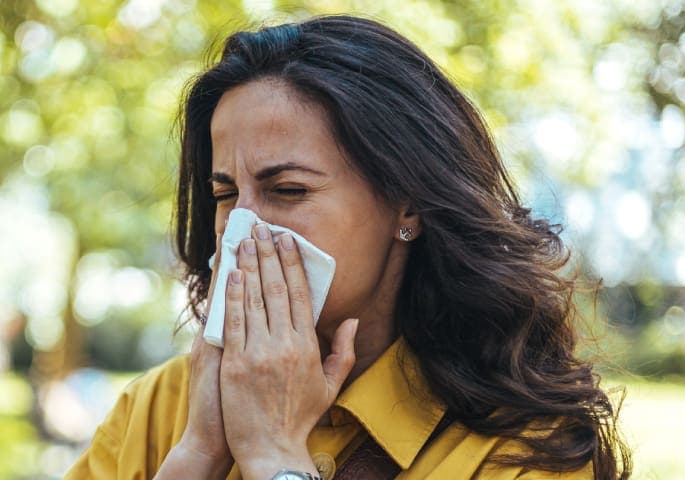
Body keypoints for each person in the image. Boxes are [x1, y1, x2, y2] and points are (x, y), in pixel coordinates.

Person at [67, 15, 630, 480]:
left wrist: (274, 456)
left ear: (407, 203)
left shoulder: (526, 449)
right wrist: (198, 454)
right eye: (224, 193)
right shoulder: (159, 406)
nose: (242, 228)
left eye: (288, 191)